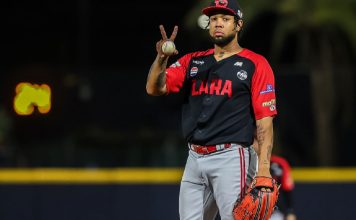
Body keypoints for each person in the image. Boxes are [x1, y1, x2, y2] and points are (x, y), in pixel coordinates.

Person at [146, 0, 277, 219]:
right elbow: (154, 88)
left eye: (225, 19)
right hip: (194, 158)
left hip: (232, 158)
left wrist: (263, 168)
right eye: (214, 19)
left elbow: (265, 121)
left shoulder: (255, 64)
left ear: (238, 25)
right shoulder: (193, 62)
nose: (218, 23)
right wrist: (161, 59)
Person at [270, 154, 297, 220]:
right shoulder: (247, 161)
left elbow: (287, 190)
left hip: (275, 213)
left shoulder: (279, 163)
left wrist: (290, 212)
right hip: (250, 211)